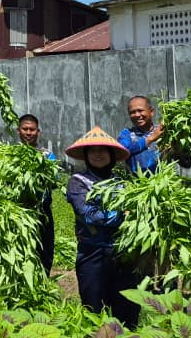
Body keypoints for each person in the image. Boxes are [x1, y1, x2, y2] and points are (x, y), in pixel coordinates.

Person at [65, 126, 141, 328]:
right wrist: (122, 216)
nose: (97, 154)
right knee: (94, 311)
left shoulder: (122, 183)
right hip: (92, 254)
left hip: (122, 253)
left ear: (111, 155)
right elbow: (89, 215)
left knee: (126, 310)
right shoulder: (77, 182)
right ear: (86, 155)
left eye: (102, 150)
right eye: (92, 150)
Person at [16, 114, 57, 275]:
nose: (28, 132)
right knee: (21, 247)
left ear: (38, 132)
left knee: (45, 248)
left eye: (32, 129)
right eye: (25, 129)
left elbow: (55, 181)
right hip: (19, 209)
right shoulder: (12, 153)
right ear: (18, 130)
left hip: (42, 209)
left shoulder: (47, 155)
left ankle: (44, 280)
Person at [117, 95, 162, 175]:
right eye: (132, 112)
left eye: (140, 110)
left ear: (151, 112)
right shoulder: (126, 134)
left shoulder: (163, 132)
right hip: (135, 185)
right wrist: (151, 138)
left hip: (163, 184)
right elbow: (122, 152)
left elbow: (186, 163)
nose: (137, 115)